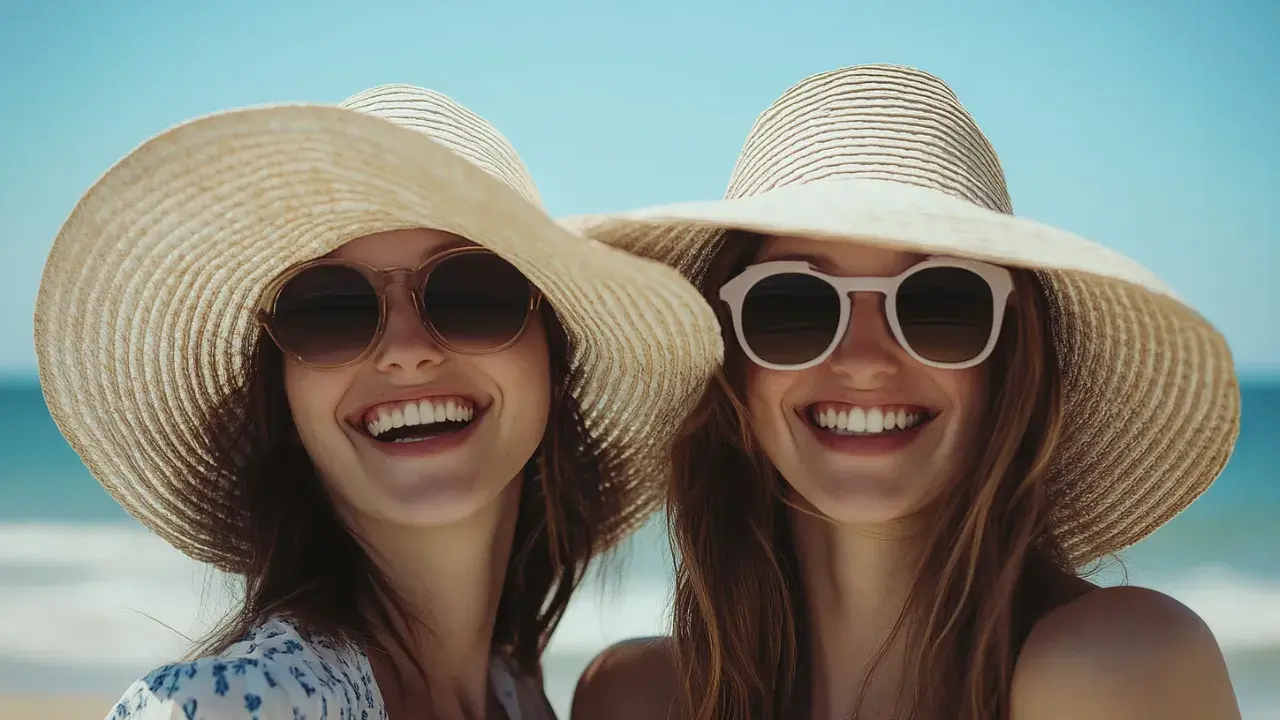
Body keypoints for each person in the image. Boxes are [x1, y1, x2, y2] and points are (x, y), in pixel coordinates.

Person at [565, 65, 1243, 719]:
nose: (864, 361)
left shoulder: (1117, 666)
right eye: (794, 305)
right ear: (730, 363)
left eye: (938, 305)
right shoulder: (632, 700)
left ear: (1009, 360)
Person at [33, 83, 721, 720]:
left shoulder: (514, 697)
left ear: (554, 356)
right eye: (329, 310)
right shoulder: (230, 708)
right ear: (285, 399)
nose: (404, 349)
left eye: (472, 295)